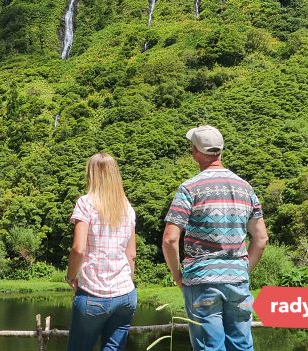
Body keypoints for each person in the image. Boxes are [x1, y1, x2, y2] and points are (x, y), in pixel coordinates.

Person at [162, 125, 268, 351]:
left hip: (202, 279)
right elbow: (261, 239)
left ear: (195, 151)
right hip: (237, 279)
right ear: (221, 150)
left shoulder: (189, 189)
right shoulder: (245, 188)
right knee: (241, 346)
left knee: (209, 347)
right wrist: (242, 270)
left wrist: (177, 275)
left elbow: (170, 239)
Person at [65, 153, 138, 351]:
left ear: (91, 174)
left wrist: (70, 276)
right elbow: (131, 254)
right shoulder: (127, 207)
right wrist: (125, 281)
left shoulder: (85, 203)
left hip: (93, 294)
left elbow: (79, 249)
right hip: (126, 295)